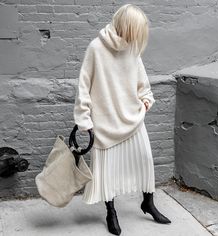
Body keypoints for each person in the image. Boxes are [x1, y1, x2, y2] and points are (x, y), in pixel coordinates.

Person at [73, 4, 171, 235]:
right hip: (105, 123)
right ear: (127, 25)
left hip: (133, 119)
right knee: (108, 171)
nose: (137, 36)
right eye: (135, 29)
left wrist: (146, 101)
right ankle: (111, 212)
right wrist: (84, 120)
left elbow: (142, 84)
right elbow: (83, 88)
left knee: (145, 159)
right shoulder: (96, 48)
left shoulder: (131, 48)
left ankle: (148, 203)